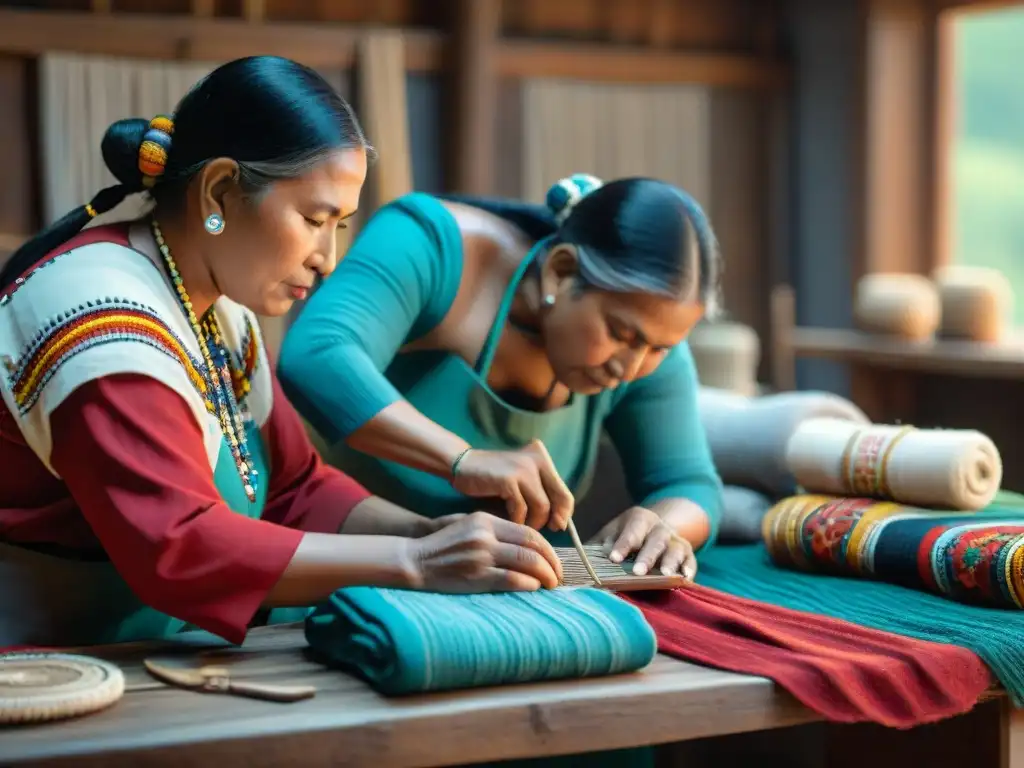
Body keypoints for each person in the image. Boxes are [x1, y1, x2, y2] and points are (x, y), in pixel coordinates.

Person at [0, 56, 563, 649]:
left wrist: (431, 530)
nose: (327, 258)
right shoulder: (97, 313)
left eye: (339, 227)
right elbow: (180, 546)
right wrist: (416, 560)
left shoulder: (219, 307)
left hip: (157, 649)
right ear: (219, 190)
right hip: (47, 664)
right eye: (314, 219)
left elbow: (297, 489)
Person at [278, 173, 725, 579]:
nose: (630, 367)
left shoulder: (643, 333)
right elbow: (317, 354)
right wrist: (463, 459)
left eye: (660, 348)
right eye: (619, 333)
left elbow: (688, 481)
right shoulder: (434, 245)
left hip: (495, 598)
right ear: (561, 272)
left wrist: (665, 523)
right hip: (331, 571)